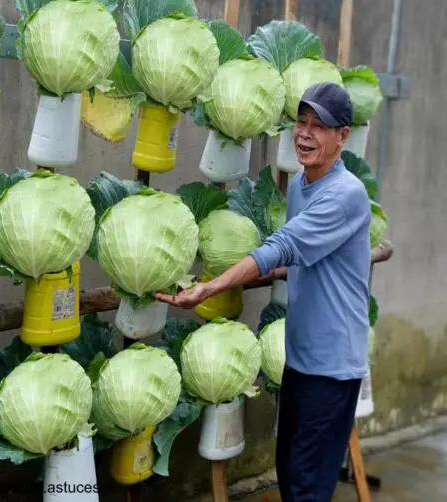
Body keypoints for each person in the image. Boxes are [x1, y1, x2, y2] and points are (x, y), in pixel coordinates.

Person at [156, 82, 371, 502]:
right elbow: (293, 258)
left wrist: (212, 287)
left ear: (342, 136)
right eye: (301, 123)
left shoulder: (345, 195)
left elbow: (284, 246)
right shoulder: (299, 186)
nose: (305, 134)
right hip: (302, 356)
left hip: (332, 366)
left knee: (307, 486)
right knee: (290, 473)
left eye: (319, 127)